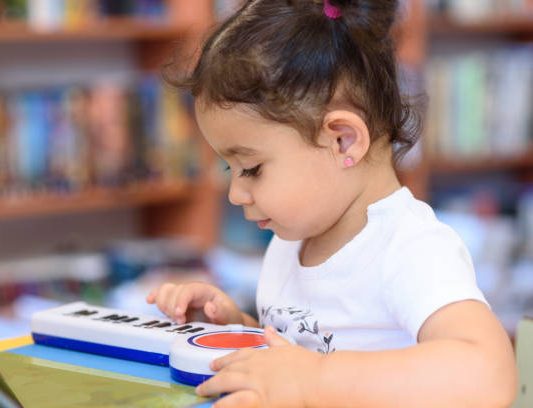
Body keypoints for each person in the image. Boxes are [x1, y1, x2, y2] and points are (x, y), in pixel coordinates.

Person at [146, 0, 518, 406]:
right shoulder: (292, 240)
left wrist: (315, 380)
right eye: (228, 169)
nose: (236, 194)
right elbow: (303, 349)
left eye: (251, 168)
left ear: (343, 140)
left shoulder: (409, 248)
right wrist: (237, 327)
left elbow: (488, 375)